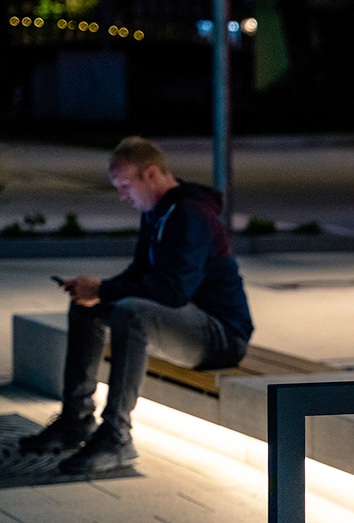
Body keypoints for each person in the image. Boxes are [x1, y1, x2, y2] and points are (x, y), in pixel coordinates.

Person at [21, 136, 254, 474]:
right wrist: (96, 291)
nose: (122, 195)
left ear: (151, 174)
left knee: (131, 312)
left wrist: (104, 288)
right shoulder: (157, 213)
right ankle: (75, 420)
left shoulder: (191, 216)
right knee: (88, 304)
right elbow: (138, 275)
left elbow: (173, 291)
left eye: (125, 185)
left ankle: (117, 437)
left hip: (221, 336)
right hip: (186, 322)